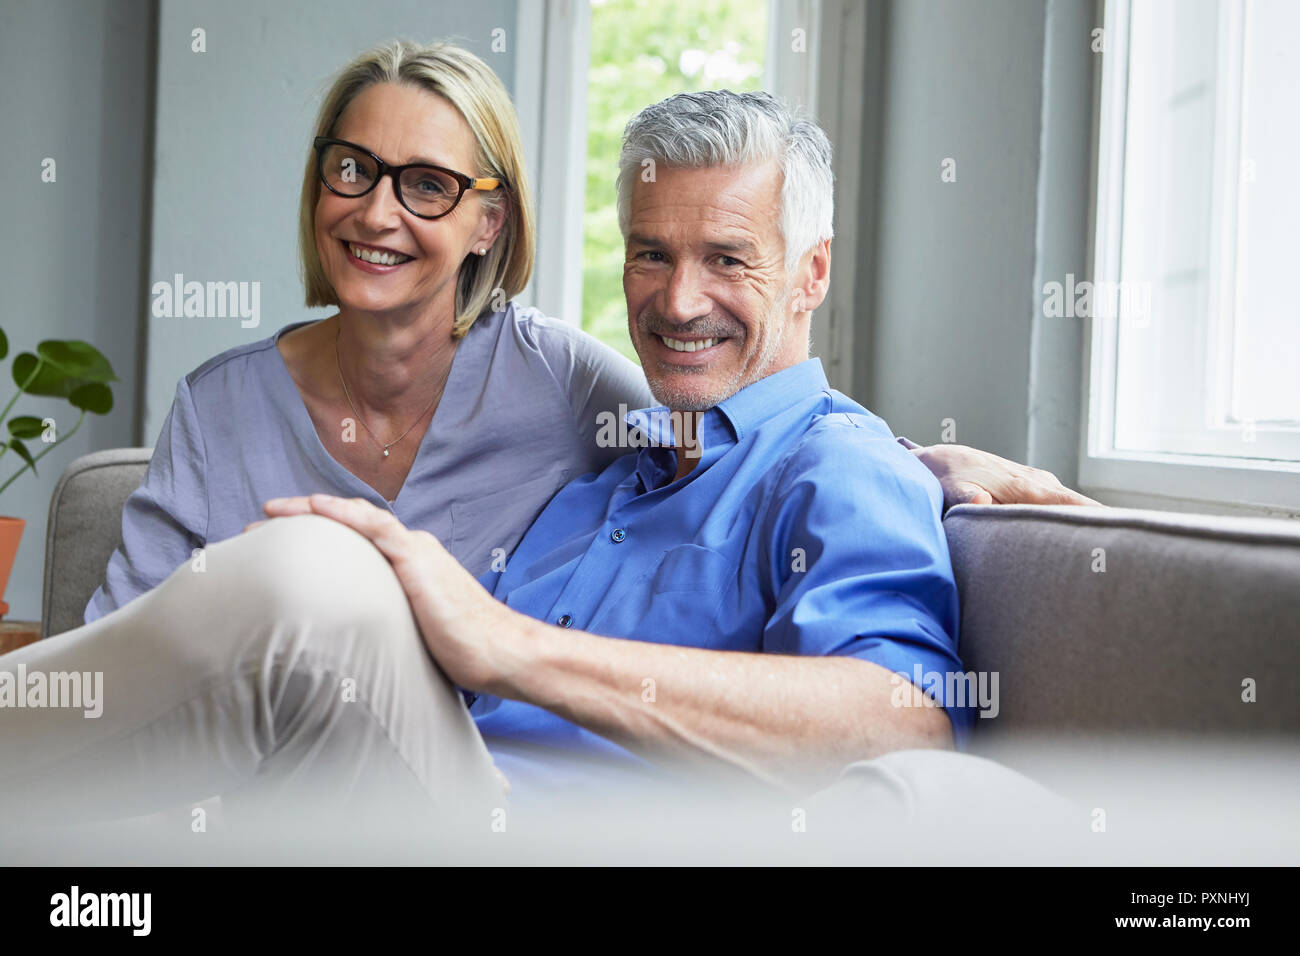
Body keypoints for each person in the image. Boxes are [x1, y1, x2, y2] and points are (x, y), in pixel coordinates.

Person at [0, 84, 1077, 852]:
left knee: (316, 575)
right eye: (650, 252)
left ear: (810, 272)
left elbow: (903, 716)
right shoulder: (609, 466)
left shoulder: (833, 467)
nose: (678, 298)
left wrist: (506, 645)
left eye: (726, 258)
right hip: (382, 806)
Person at [82, 38, 1094, 627]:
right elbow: (122, 642)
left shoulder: (561, 383)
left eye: (427, 185)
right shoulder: (220, 402)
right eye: (352, 168)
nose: (377, 212)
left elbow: (732, 433)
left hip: (402, 765)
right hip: (239, 739)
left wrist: (910, 456)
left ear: (492, 221)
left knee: (311, 568)